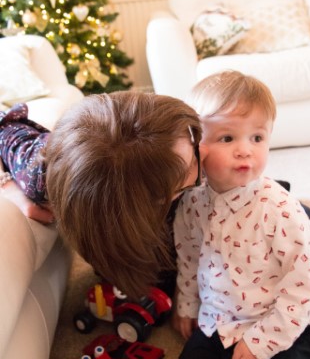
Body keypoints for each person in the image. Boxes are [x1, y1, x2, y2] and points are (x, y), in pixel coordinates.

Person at [174, 70, 310, 359]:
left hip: (282, 318)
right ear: (197, 146)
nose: (245, 151)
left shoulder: (279, 209)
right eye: (227, 139)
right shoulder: (193, 202)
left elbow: (306, 284)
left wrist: (262, 342)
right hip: (224, 314)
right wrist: (187, 304)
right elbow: (189, 255)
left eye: (257, 138)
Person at [0, 91, 203, 300]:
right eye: (191, 166)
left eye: (195, 141)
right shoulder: (34, 172)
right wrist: (9, 188)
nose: (205, 156)